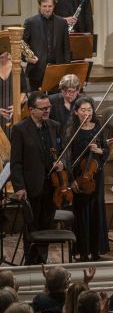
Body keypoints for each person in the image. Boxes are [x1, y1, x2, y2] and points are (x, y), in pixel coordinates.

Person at [10, 91, 63, 264]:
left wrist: (62, 163)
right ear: (32, 110)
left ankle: (42, 262)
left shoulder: (54, 125)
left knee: (46, 226)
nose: (47, 110)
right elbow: (16, 162)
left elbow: (62, 153)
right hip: (31, 187)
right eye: (43, 108)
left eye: (49, 107)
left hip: (52, 187)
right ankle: (31, 263)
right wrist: (19, 187)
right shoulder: (20, 130)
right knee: (32, 227)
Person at [66, 96, 109, 262]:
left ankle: (96, 250)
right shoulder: (71, 130)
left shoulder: (97, 127)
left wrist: (99, 151)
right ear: (76, 112)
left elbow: (105, 150)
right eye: (83, 110)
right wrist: (71, 180)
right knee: (82, 213)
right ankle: (82, 251)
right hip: (79, 177)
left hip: (95, 176)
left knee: (96, 210)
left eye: (89, 110)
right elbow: (67, 159)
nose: (86, 113)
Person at [23, 0, 71, 91]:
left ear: (54, 6)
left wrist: (67, 70)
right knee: (37, 102)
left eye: (50, 6)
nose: (47, 9)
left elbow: (66, 48)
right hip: (36, 70)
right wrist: (27, 58)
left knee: (56, 100)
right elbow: (22, 45)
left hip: (57, 70)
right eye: (44, 6)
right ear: (39, 6)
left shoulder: (62, 22)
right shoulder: (30, 22)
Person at [0, 49, 27, 134]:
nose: (1, 60)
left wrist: (17, 104)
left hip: (15, 111)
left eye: (2, 57)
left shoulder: (16, 66)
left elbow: (23, 90)